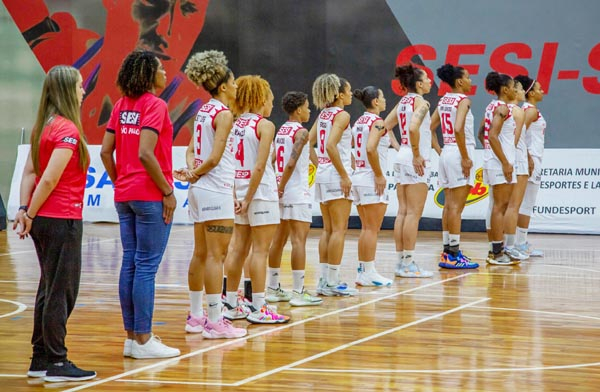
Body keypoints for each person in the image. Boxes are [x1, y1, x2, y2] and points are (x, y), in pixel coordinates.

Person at [13, 65, 96, 382]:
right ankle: (57, 363)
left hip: (45, 220)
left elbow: (29, 174)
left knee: (49, 289)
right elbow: (46, 179)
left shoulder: (43, 126)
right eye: (78, 86)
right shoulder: (67, 131)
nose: (83, 91)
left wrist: (24, 209)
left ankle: (40, 359)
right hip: (61, 219)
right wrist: (29, 213)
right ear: (65, 91)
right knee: (61, 292)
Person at [100, 50, 180, 359]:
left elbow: (107, 152)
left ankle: (132, 339)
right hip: (149, 196)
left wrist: (121, 179)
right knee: (146, 266)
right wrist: (167, 191)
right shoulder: (156, 105)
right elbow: (147, 153)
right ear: (148, 75)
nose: (164, 73)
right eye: (161, 68)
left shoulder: (121, 106)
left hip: (125, 195)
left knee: (130, 262)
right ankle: (144, 340)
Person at [175, 50, 246, 338]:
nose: (237, 85)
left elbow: (192, 150)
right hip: (215, 190)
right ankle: (216, 321)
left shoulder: (203, 110)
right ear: (224, 86)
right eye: (233, 81)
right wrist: (195, 172)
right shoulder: (225, 114)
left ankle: (195, 317)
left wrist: (192, 170)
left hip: (199, 191)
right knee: (217, 255)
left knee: (201, 253)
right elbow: (215, 158)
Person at [222, 75, 289, 324]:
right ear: (261, 99)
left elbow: (227, 164)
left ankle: (230, 303)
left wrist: (236, 196)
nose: (272, 103)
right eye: (270, 98)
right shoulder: (265, 125)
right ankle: (258, 307)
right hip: (259, 193)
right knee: (260, 251)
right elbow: (260, 167)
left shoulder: (234, 123)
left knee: (237, 249)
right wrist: (249, 198)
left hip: (237, 191)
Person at [266, 91, 323, 306]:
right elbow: (290, 163)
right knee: (299, 241)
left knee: (278, 241)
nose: (309, 110)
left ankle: (273, 287)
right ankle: (299, 291)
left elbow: (273, 159)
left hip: (281, 190)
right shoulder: (301, 132)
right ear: (298, 109)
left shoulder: (282, 130)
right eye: (307, 107)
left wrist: (277, 185)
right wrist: (281, 187)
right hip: (295, 192)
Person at [384, 64, 435, 278]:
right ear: (419, 83)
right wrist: (415, 153)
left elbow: (383, 126)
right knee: (413, 213)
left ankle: (401, 262)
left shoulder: (403, 101)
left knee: (403, 212)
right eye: (427, 78)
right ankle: (408, 264)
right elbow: (413, 128)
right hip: (414, 159)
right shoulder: (421, 102)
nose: (430, 81)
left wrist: (400, 148)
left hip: (402, 156)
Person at [308, 73, 357, 296]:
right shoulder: (342, 115)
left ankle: (324, 280)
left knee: (328, 230)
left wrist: (321, 165)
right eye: (348, 91)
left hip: (324, 174)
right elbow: (330, 145)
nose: (351, 94)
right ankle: (333, 281)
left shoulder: (323, 114)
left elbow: (308, 143)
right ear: (338, 94)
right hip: (336, 175)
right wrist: (344, 175)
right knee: (339, 229)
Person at [432, 64, 479, 269]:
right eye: (468, 77)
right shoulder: (463, 100)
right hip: (459, 152)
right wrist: (466, 157)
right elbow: (459, 128)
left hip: (447, 151)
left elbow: (429, 128)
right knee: (456, 207)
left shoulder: (444, 100)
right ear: (459, 81)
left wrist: (441, 151)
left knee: (449, 204)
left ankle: (447, 251)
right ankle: (454, 253)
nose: (470, 81)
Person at [350, 86, 394, 286]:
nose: (385, 100)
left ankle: (363, 271)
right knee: (371, 229)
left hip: (359, 176)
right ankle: (369, 272)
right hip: (370, 179)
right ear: (376, 101)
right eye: (383, 97)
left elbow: (352, 148)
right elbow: (370, 148)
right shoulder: (377, 122)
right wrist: (378, 174)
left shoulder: (359, 121)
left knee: (366, 228)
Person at [478, 71, 518, 265]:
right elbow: (492, 135)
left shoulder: (491, 106)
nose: (514, 90)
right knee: (500, 207)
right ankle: (496, 252)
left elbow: (482, 133)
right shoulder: (502, 107)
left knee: (499, 206)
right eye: (512, 86)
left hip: (494, 161)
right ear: (504, 89)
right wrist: (504, 161)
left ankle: (498, 249)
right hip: (500, 163)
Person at [514, 75, 546, 257]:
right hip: (531, 158)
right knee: (526, 204)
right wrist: (528, 157)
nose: (542, 92)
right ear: (531, 93)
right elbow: (519, 133)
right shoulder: (531, 111)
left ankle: (518, 242)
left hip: (529, 157)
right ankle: (520, 243)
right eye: (539, 89)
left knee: (522, 203)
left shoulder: (525, 109)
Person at [502, 79, 530, 260]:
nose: (522, 92)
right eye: (520, 89)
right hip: (516, 160)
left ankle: (502, 244)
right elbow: (516, 138)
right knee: (513, 206)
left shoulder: (500, 108)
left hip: (503, 159)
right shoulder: (518, 111)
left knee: (502, 206)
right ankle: (510, 246)